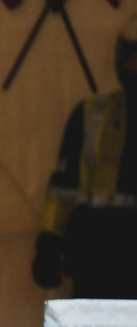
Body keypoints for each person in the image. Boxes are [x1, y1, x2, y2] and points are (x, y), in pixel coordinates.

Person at [33, 16, 137, 298]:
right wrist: (49, 245)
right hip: (96, 262)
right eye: (133, 59)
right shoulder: (92, 113)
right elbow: (62, 189)